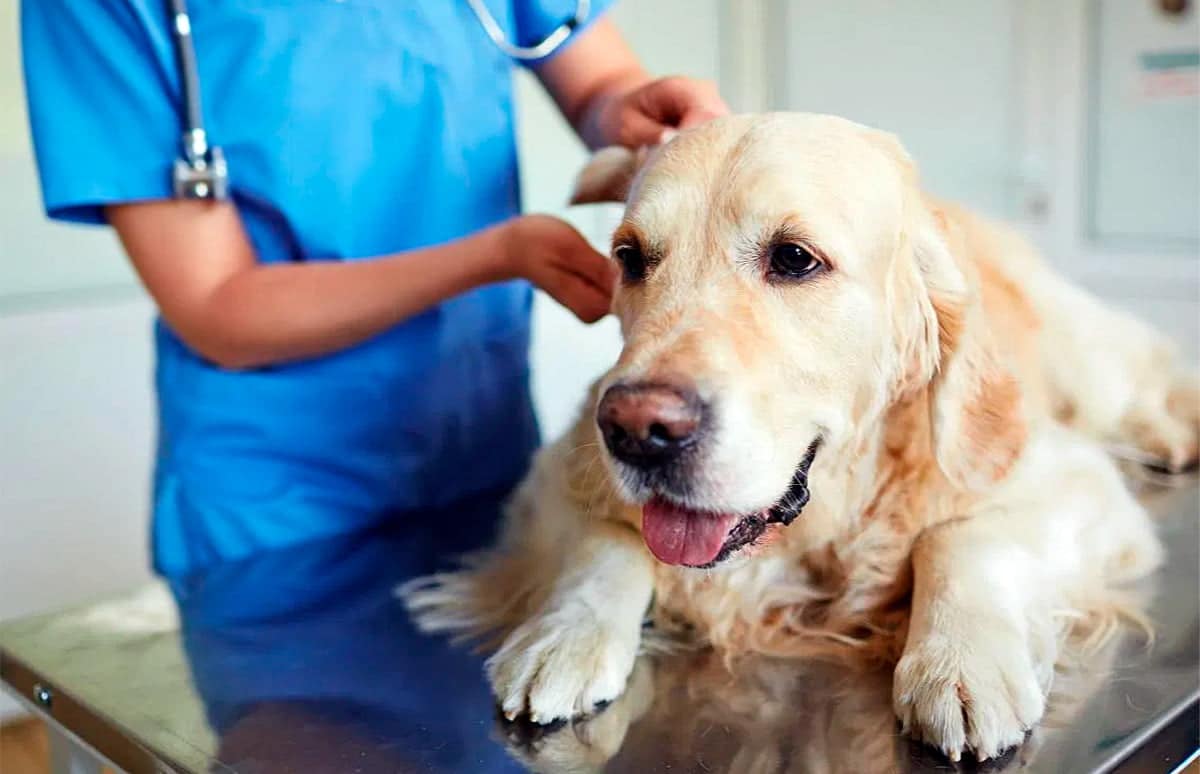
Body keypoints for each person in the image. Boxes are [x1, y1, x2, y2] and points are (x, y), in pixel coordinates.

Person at [22, 1, 728, 577]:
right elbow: (216, 307)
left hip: (483, 441)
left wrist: (624, 108)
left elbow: (600, 85)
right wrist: (496, 255)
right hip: (279, 494)